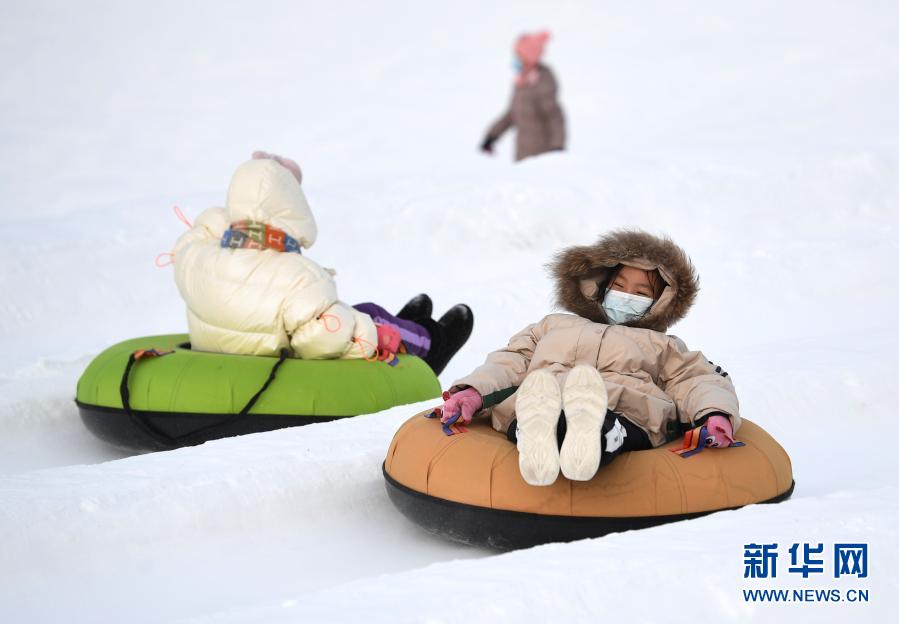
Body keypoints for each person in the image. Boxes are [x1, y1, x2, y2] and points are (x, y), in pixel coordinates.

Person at [440, 229, 740, 486]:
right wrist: (473, 391)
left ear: (660, 302)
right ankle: (536, 436)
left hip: (624, 411)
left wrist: (713, 414)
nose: (626, 295)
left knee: (600, 421)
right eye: (619, 286)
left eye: (640, 292)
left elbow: (695, 379)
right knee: (543, 411)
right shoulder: (553, 325)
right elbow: (512, 361)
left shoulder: (663, 344)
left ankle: (593, 437)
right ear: (602, 288)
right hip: (545, 398)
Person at [172, 152, 472, 375]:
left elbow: (203, 228)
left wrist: (251, 186)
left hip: (226, 353)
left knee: (348, 314)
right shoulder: (295, 276)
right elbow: (324, 338)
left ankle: (404, 325)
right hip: (277, 368)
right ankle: (430, 343)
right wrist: (373, 334)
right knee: (368, 315)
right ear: (292, 208)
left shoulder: (196, 257)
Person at [480, 30, 566, 162]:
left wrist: (558, 145)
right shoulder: (521, 83)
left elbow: (554, 116)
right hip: (524, 155)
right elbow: (512, 114)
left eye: (518, 55)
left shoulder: (542, 82)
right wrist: (491, 136)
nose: (515, 59)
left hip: (544, 156)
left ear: (528, 57)